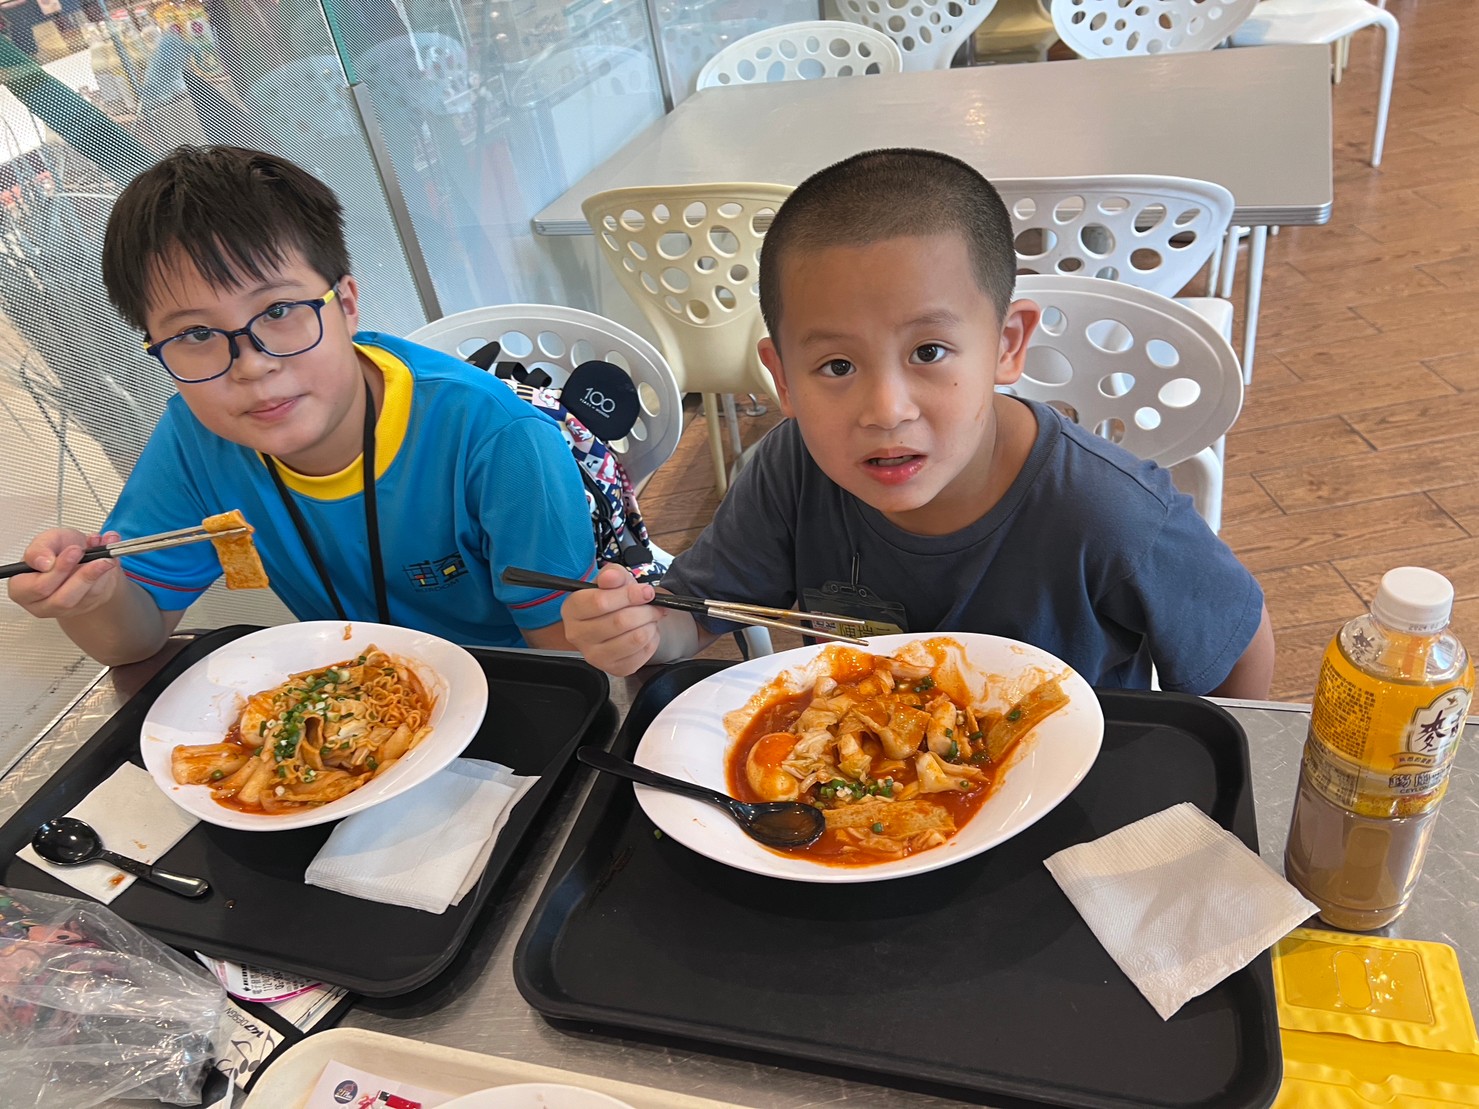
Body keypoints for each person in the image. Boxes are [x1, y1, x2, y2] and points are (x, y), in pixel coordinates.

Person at [561, 147, 1275, 696]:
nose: (886, 410)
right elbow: (696, 614)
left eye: (928, 352)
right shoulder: (791, 470)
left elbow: (1238, 645)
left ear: (1007, 345)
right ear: (782, 378)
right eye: (836, 365)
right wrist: (643, 631)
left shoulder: (1112, 512)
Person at [6, 145, 595, 664]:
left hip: (509, 686)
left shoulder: (495, 436)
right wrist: (95, 596)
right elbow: (132, 642)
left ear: (346, 304)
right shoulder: (197, 438)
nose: (251, 364)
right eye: (197, 334)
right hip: (345, 700)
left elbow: (565, 653)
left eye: (279, 311)